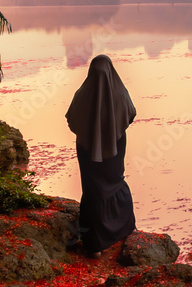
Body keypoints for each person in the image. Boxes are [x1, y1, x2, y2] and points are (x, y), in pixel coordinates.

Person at [65, 54, 137, 257]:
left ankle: (95, 244)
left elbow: (72, 120)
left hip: (87, 148)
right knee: (114, 182)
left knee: (93, 188)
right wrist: (113, 129)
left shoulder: (82, 94)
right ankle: (124, 228)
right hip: (115, 145)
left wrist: (90, 133)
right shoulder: (120, 93)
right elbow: (130, 114)